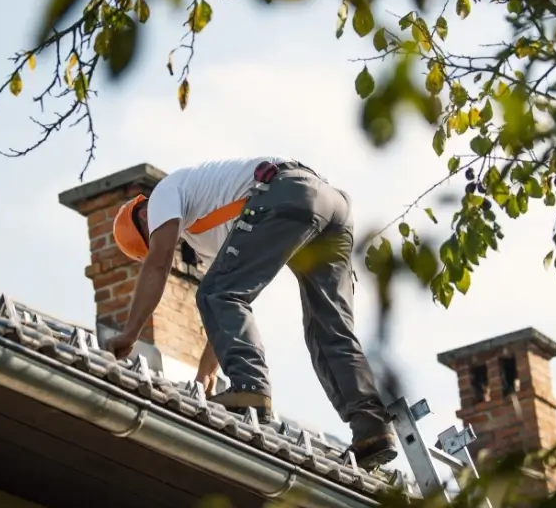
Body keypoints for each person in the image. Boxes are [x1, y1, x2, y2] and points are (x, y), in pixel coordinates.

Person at [105, 157, 398, 470]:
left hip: (287, 191)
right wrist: (207, 375)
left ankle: (251, 388)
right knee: (328, 329)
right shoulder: (206, 234)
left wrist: (130, 334)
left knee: (217, 293)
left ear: (143, 218)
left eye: (152, 237)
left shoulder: (163, 194)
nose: (161, 239)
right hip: (331, 207)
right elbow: (226, 305)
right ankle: (372, 427)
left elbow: (160, 267)